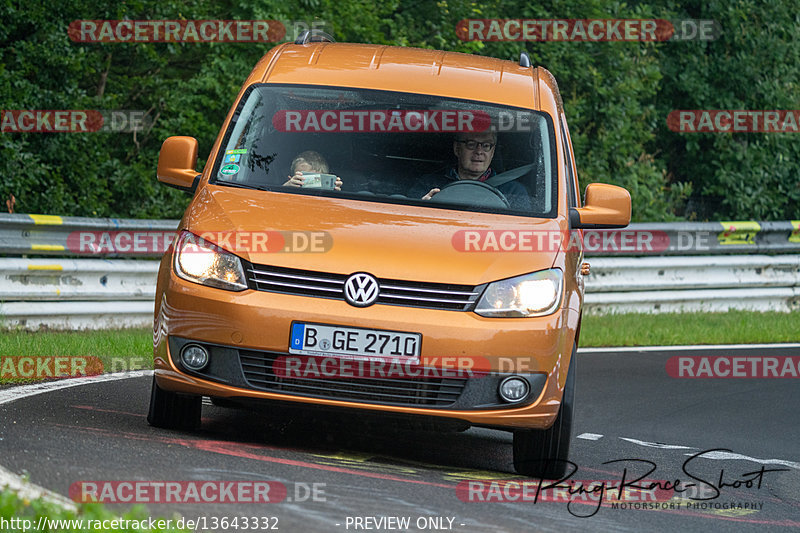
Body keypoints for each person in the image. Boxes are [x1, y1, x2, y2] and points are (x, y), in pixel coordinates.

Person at [420, 131, 531, 210]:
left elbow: (521, 233)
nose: (479, 151)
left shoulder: (514, 192)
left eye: (486, 145)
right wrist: (422, 208)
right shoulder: (428, 184)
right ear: (457, 149)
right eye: (471, 144)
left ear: (492, 153)